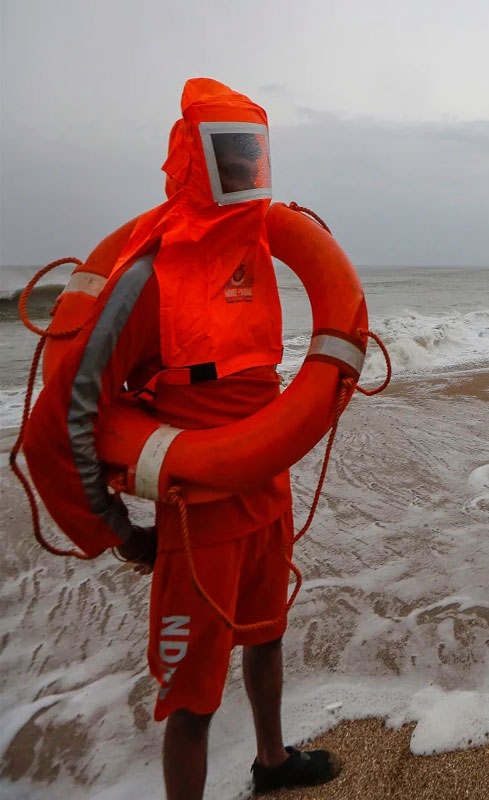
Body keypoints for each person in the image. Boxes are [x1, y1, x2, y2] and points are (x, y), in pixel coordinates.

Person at [22, 79, 338, 798]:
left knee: (267, 637)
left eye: (253, 155)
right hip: (199, 519)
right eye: (228, 156)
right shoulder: (148, 276)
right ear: (193, 161)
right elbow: (69, 411)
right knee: (191, 700)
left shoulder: (263, 247)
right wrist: (118, 530)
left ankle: (272, 761)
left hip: (267, 492)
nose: (245, 173)